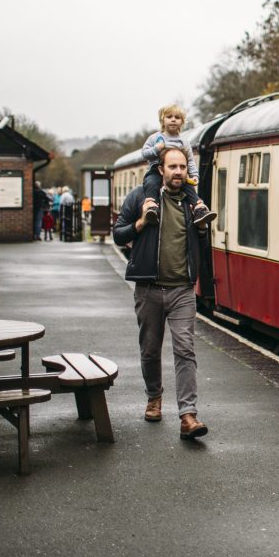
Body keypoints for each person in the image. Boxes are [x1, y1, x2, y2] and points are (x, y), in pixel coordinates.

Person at [113, 147, 210, 440]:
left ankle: (188, 415)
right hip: (149, 288)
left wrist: (203, 231)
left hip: (182, 289)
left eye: (182, 166)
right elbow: (119, 234)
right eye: (172, 166)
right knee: (150, 349)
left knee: (185, 350)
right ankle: (154, 397)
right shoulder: (141, 198)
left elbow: (201, 243)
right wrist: (141, 223)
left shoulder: (194, 204)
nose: (178, 171)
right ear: (161, 170)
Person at [140, 105, 215, 228]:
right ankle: (152, 208)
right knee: (151, 183)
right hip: (156, 169)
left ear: (182, 122)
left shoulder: (184, 142)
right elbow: (144, 154)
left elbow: (190, 161)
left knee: (189, 188)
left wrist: (194, 175)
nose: (173, 120)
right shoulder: (154, 138)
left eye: (177, 117)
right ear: (162, 120)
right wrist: (156, 149)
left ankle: (199, 209)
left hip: (177, 172)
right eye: (169, 117)